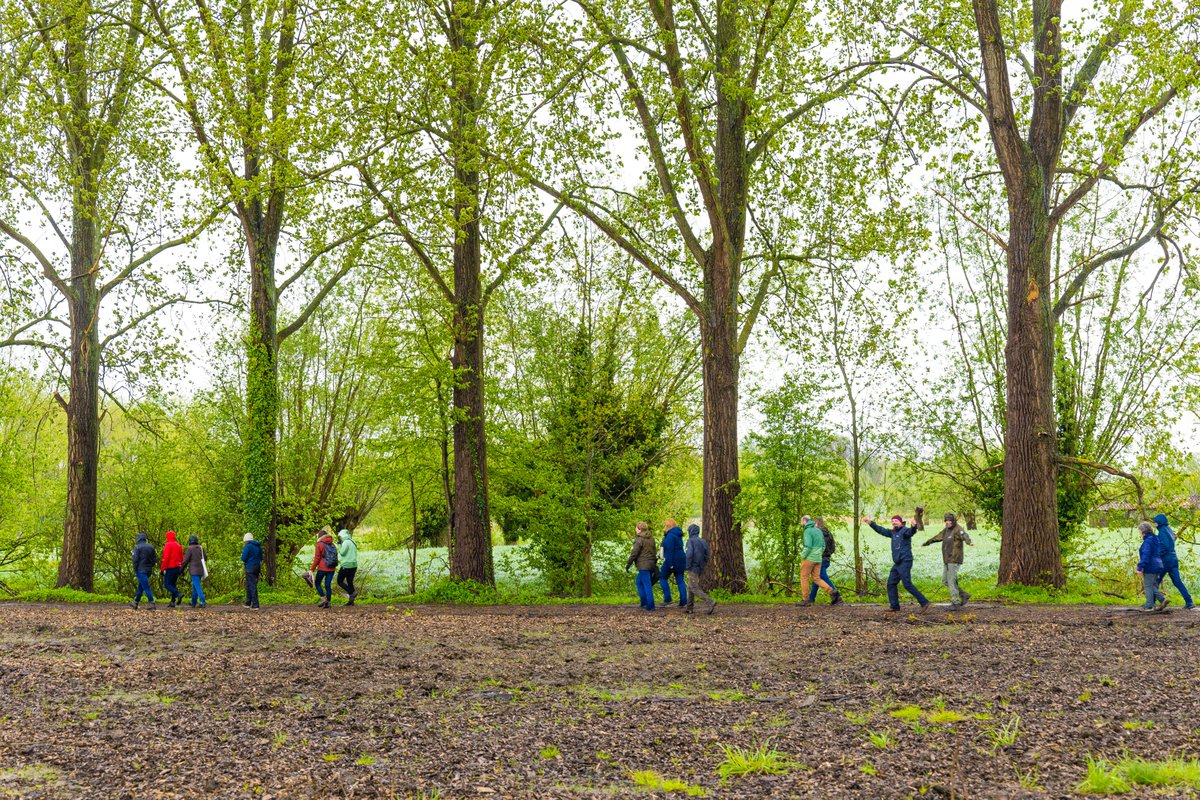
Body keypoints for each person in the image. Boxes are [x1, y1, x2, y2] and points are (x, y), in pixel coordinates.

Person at [865, 514, 931, 613]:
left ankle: (924, 602)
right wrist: (870, 523)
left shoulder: (904, 531)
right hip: (898, 563)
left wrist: (914, 526)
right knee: (891, 583)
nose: (894, 522)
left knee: (907, 584)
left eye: (896, 520)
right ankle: (894, 606)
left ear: (901, 522)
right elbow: (881, 530)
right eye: (892, 521)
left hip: (905, 561)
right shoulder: (892, 532)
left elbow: (910, 532)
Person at [922, 512, 974, 608]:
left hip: (954, 558)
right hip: (947, 559)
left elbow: (965, 536)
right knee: (945, 580)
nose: (948, 522)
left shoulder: (958, 529)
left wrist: (969, 542)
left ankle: (956, 602)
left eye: (950, 521)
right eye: (946, 521)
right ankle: (964, 595)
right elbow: (937, 537)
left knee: (950, 580)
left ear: (953, 521)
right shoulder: (946, 530)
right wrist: (927, 542)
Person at [798, 516, 842, 606]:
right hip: (819, 559)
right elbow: (823, 545)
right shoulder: (818, 530)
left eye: (801, 521)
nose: (800, 523)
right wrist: (818, 554)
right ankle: (832, 592)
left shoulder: (807, 531)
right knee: (817, 578)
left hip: (810, 558)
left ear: (804, 521)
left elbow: (808, 546)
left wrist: (802, 556)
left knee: (804, 577)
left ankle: (805, 599)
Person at [1153, 514, 1194, 610]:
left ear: (1159, 522)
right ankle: (1189, 601)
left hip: (1165, 561)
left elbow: (1164, 547)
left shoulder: (1162, 531)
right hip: (1173, 559)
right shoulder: (1169, 530)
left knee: (1155, 582)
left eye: (1155, 522)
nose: (1154, 524)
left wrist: (1157, 555)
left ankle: (1152, 603)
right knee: (1177, 582)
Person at [683, 524, 716, 614]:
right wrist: (703, 565)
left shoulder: (691, 541)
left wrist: (687, 566)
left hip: (693, 566)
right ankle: (689, 608)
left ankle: (710, 601)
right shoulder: (703, 541)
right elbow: (707, 555)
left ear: (690, 531)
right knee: (690, 587)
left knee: (693, 587)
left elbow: (689, 555)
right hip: (700, 567)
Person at [625, 521, 658, 611]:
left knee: (646, 585)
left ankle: (650, 606)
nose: (635, 530)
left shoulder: (639, 539)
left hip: (643, 565)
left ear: (639, 529)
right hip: (651, 564)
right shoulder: (651, 538)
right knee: (639, 582)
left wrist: (628, 564)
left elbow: (634, 553)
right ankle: (644, 602)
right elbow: (654, 551)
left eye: (636, 528)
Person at [1136, 520, 1168, 613]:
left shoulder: (1147, 541)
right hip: (1158, 565)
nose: (1139, 533)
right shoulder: (1155, 539)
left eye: (1139, 530)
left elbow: (1146, 555)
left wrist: (1140, 567)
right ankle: (1162, 599)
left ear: (1142, 531)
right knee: (1152, 585)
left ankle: (1149, 605)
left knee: (1148, 585)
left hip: (1151, 566)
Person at [658, 519, 688, 608]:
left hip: (672, 561)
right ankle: (684, 601)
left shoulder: (670, 536)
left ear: (668, 526)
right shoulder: (678, 535)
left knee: (662, 577)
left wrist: (670, 564)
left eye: (665, 526)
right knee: (680, 581)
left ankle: (668, 599)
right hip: (681, 560)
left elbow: (669, 551)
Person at [129, 532, 157, 610]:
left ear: (138, 539)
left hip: (140, 570)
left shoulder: (137, 547)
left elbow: (135, 560)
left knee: (146, 587)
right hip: (148, 570)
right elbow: (154, 559)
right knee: (141, 587)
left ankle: (152, 602)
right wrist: (151, 566)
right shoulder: (151, 547)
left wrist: (135, 569)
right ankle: (135, 602)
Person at [312, 527, 338, 608]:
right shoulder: (333, 544)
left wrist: (312, 569)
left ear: (319, 537)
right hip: (332, 568)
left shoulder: (319, 544)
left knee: (317, 583)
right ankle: (328, 602)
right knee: (327, 585)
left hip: (322, 568)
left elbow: (317, 558)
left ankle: (323, 599)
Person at [180, 534, 207, 609]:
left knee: (197, 586)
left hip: (194, 570)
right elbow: (205, 558)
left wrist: (181, 569)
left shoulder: (189, 549)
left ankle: (203, 601)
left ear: (190, 541)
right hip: (201, 570)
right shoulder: (201, 548)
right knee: (195, 586)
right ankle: (193, 602)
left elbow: (185, 561)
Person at [160, 530, 184, 608]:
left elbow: (166, 557)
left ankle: (178, 594)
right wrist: (181, 568)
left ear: (167, 537)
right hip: (178, 567)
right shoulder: (178, 545)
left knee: (167, 584)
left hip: (170, 567)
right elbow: (181, 557)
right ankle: (172, 602)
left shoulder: (168, 545)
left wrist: (162, 568)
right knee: (173, 584)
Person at [336, 528, 359, 606]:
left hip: (346, 565)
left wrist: (339, 545)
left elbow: (342, 553)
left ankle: (352, 593)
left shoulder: (346, 542)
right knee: (349, 582)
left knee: (339, 581)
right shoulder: (353, 541)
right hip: (354, 565)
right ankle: (351, 601)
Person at [241, 532, 263, 609]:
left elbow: (243, 558)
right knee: (250, 584)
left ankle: (255, 604)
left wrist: (246, 561)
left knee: (251, 585)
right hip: (257, 566)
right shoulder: (258, 546)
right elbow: (261, 557)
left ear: (246, 540)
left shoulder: (247, 547)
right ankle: (248, 602)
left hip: (250, 567)